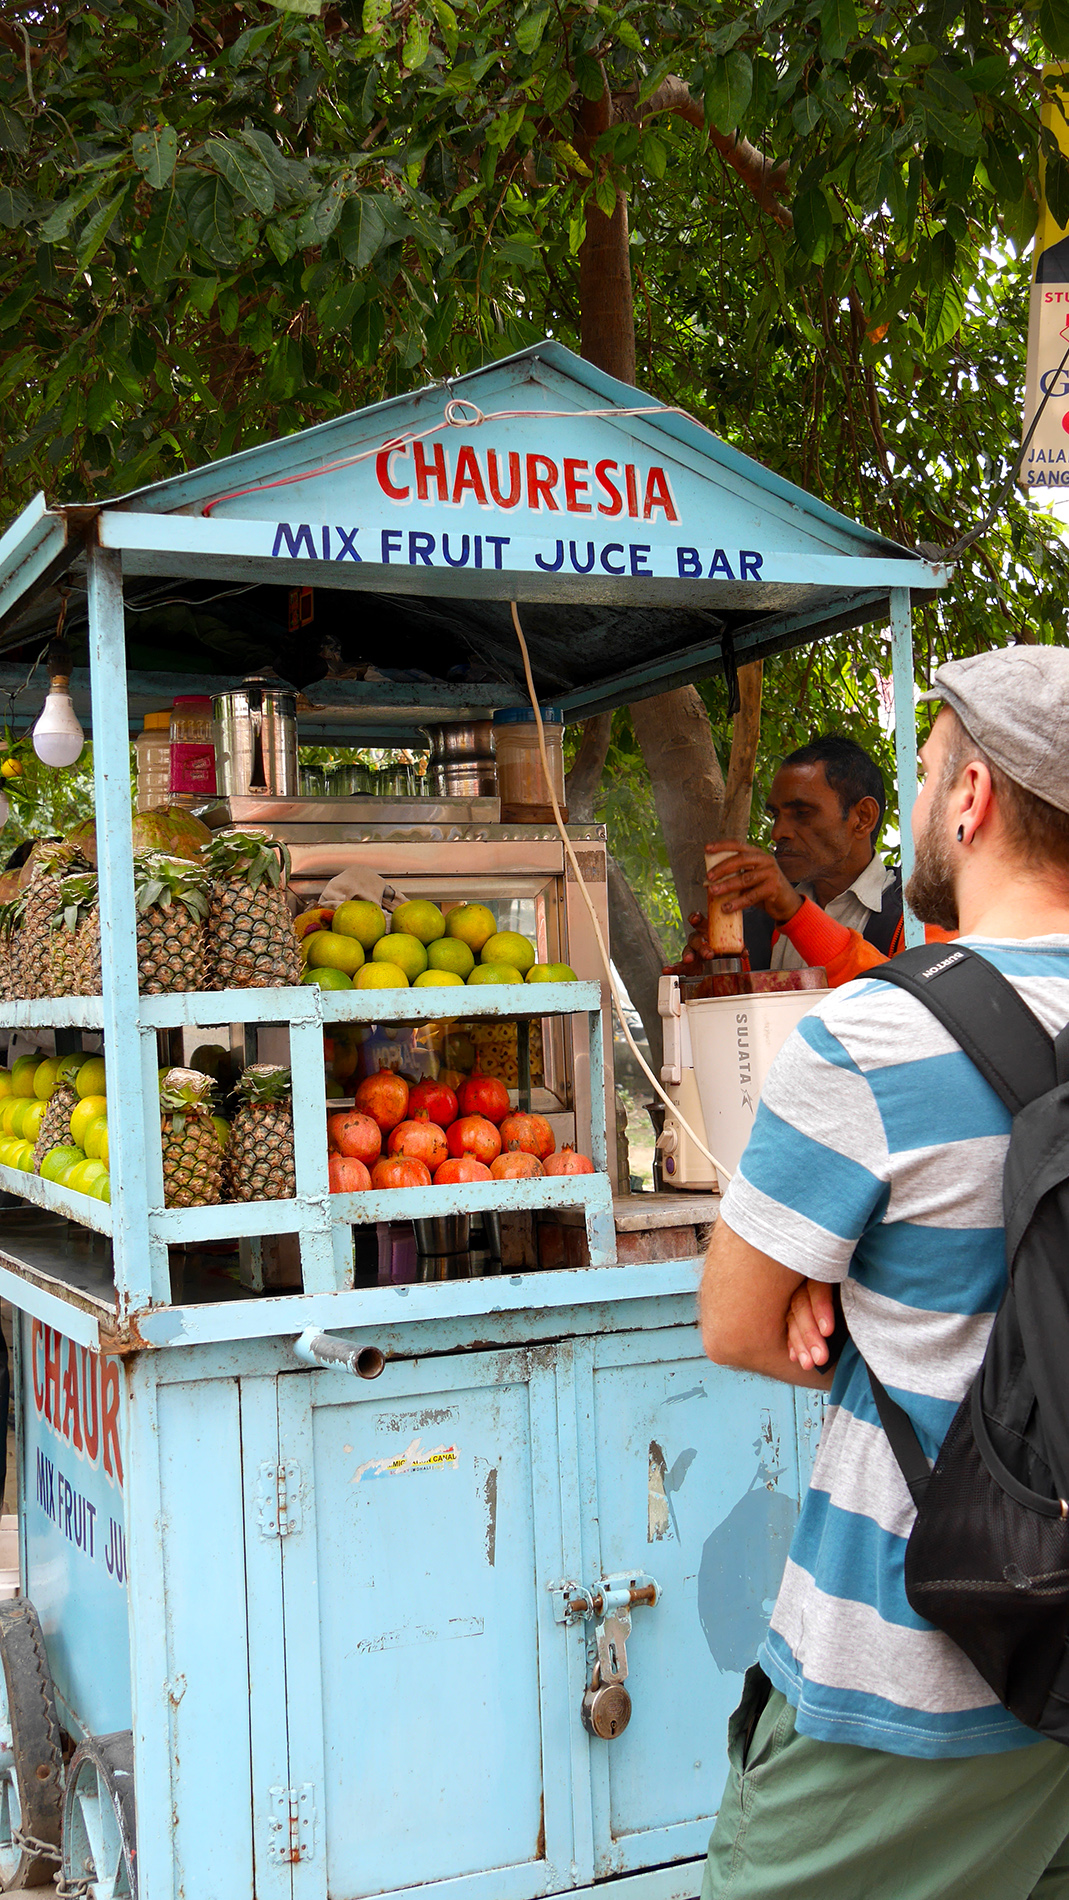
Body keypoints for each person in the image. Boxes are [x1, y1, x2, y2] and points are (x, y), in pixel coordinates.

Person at [697, 645, 1069, 1900]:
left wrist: (853, 1291)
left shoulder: (870, 1035)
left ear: (969, 799)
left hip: (919, 1662)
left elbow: (738, 1326)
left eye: (920, 774)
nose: (918, 801)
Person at [678, 735, 919, 987]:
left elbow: (911, 1004)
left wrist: (797, 915)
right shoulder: (759, 920)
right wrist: (717, 976)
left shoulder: (920, 913)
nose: (777, 832)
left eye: (802, 813)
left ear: (862, 818)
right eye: (776, 815)